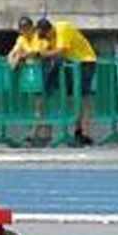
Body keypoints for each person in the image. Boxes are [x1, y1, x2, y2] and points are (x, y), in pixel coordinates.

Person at [35, 16, 99, 145]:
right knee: (67, 96)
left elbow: (60, 51)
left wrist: (43, 54)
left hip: (85, 61)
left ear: (50, 30)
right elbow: (42, 50)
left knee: (83, 96)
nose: (46, 40)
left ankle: (82, 133)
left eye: (47, 36)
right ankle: (49, 133)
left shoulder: (62, 29)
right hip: (70, 63)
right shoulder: (44, 36)